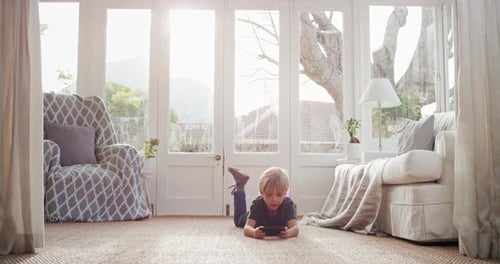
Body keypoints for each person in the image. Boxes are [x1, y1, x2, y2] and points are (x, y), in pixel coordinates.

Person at [228, 166, 299, 239]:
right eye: (269, 195)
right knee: (238, 220)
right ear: (262, 193)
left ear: (285, 193)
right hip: (254, 217)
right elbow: (247, 228)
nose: (274, 199)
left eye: (279, 195)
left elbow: (295, 228)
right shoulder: (257, 204)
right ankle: (240, 187)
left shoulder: (288, 204)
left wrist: (289, 233)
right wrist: (253, 232)